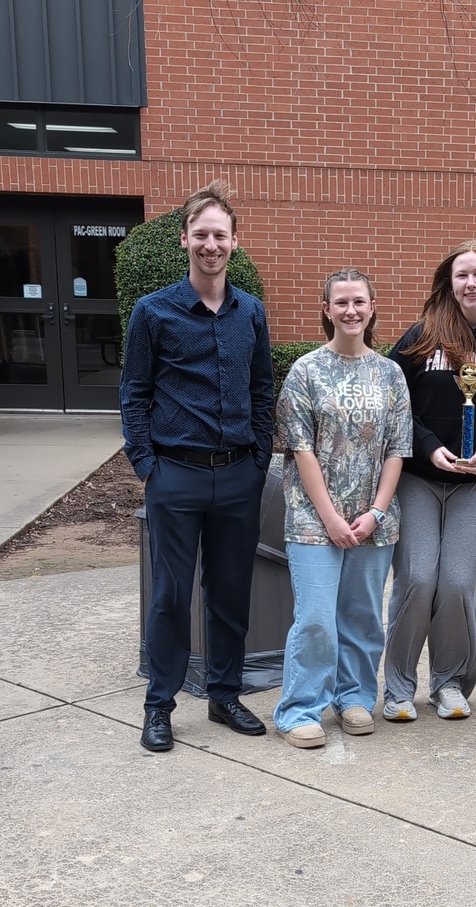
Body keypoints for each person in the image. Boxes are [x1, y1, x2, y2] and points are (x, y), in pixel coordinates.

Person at [120, 180, 275, 752]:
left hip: (238, 473)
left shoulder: (250, 312)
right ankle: (159, 705)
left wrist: (259, 458)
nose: (211, 244)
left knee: (231, 591)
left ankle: (224, 696)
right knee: (170, 595)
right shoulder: (153, 312)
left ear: (235, 242)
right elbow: (134, 392)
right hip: (174, 475)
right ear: (185, 239)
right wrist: (145, 463)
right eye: (201, 234)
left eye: (221, 235)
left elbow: (263, 387)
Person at [384, 240, 476, 721]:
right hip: (420, 480)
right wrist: (429, 447)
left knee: (457, 584)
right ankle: (399, 687)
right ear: (451, 282)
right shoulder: (421, 336)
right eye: (461, 275)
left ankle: (448, 683)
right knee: (418, 577)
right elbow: (395, 405)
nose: (471, 283)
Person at [273, 269, 412, 748]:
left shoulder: (390, 374)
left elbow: (397, 449)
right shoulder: (306, 372)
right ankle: (299, 709)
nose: (350, 311)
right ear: (326, 310)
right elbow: (300, 449)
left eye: (359, 302)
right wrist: (330, 517)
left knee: (362, 616)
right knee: (314, 615)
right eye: (341, 302)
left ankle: (354, 697)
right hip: (313, 519)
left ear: (372, 308)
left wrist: (375, 510)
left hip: (373, 519)